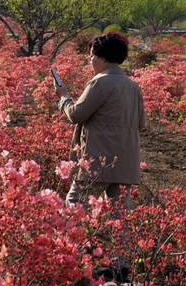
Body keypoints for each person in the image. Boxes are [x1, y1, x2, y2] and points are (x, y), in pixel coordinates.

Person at [55, 32, 146, 208]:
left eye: (91, 57)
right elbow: (141, 124)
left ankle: (80, 237)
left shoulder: (100, 82)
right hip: (126, 162)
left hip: (98, 162)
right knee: (118, 215)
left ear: (102, 57)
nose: (90, 62)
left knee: (74, 206)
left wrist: (63, 97)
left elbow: (76, 115)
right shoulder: (133, 87)